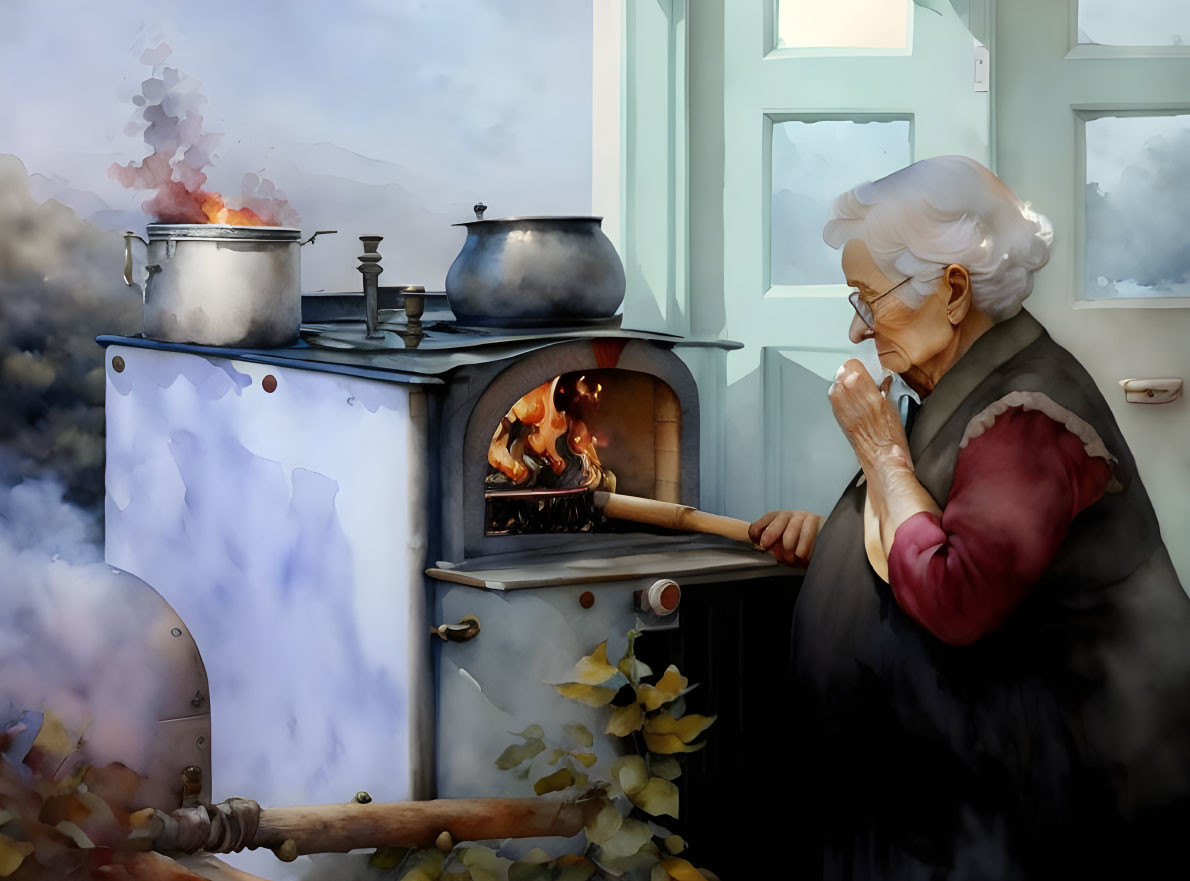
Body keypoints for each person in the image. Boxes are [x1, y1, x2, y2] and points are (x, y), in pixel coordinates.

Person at [750, 156, 1190, 879]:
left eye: (868, 300)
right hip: (948, 808)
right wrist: (833, 542)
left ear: (952, 291)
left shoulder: (1029, 415)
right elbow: (930, 523)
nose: (859, 331)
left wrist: (880, 453)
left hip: (1048, 811)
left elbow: (955, 593)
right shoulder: (971, 385)